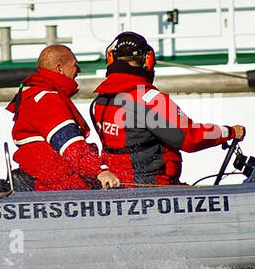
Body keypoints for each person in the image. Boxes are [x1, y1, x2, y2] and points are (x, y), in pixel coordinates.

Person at [91, 32, 245, 185]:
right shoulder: (150, 99)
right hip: (156, 190)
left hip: (118, 189)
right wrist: (228, 132)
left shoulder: (100, 100)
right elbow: (189, 138)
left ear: (111, 59)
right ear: (148, 60)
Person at [7, 45, 122, 191]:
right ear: (59, 68)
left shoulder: (35, 96)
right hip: (53, 190)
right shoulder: (47, 100)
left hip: (48, 184)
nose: (78, 70)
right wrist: (100, 171)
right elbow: (70, 145)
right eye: (74, 65)